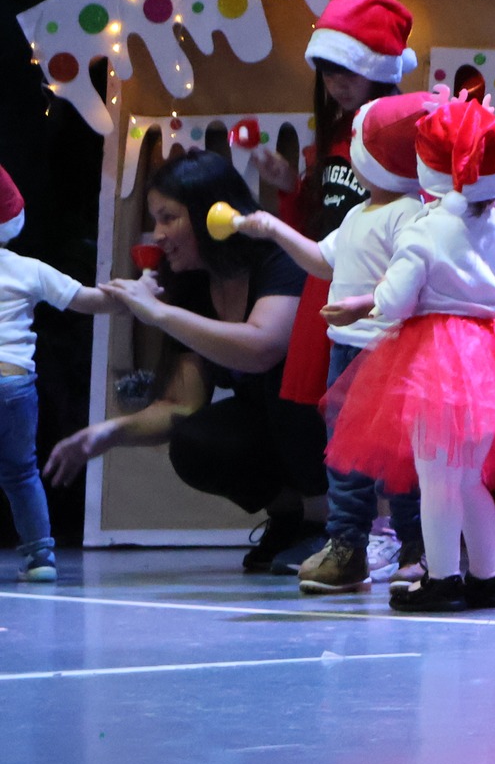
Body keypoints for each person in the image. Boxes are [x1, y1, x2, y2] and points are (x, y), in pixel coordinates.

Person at [324, 96, 495, 612]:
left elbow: (396, 300)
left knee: (436, 478)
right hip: (492, 358)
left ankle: (443, 577)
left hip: (435, 360)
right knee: (471, 477)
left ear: (431, 168)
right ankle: (488, 575)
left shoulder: (425, 230)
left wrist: (367, 302)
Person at [44, 153, 321, 571]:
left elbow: (263, 347)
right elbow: (182, 404)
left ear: (212, 213)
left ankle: (328, 524)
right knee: (197, 442)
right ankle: (292, 518)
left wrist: (159, 314)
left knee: (286, 390)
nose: (158, 234)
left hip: (321, 415)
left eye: (168, 218)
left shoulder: (276, 257)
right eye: (155, 219)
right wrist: (109, 432)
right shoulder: (194, 283)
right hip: (272, 420)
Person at [231, 91, 434, 593]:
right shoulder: (361, 213)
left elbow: (412, 279)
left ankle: (415, 547)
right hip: (346, 351)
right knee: (344, 457)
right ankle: (347, 547)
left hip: (387, 353)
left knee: (397, 459)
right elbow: (324, 260)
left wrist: (367, 305)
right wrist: (275, 228)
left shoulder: (411, 213)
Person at [253, 0, 416, 576]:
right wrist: (287, 191)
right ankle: (348, 536)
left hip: (387, 305)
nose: (336, 83)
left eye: (347, 69)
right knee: (339, 426)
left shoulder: (398, 129)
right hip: (334, 293)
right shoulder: (337, 134)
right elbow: (327, 228)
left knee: (392, 430)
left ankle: (400, 539)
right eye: (327, 70)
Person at [0, 165, 116, 580]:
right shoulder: (28, 269)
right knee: (20, 472)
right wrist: (136, 295)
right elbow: (86, 300)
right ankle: (39, 558)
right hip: (13, 382)